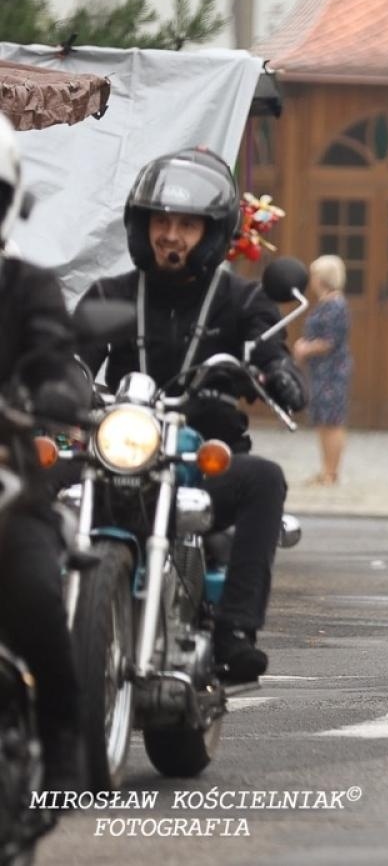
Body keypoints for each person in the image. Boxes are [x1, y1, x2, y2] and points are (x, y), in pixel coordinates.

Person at [77, 148, 306, 683]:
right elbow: (69, 356)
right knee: (35, 472)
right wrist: (56, 378)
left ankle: (235, 630)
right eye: (161, 221)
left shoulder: (240, 299)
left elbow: (268, 350)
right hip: (120, 447)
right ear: (142, 225)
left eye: (186, 224)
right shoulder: (109, 295)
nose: (171, 235)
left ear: (213, 232)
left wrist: (277, 372)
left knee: (265, 480)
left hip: (202, 456)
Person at [0, 111, 91, 792]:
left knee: (33, 589)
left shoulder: (25, 285)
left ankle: (61, 727)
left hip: (4, 476)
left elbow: (52, 355)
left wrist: (57, 391)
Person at [292, 254, 352, 486]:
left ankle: (331, 472)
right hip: (321, 370)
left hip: (333, 369)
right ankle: (325, 468)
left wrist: (306, 348)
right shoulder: (326, 303)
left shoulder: (335, 304)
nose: (312, 279)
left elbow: (330, 341)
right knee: (322, 420)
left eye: (315, 274)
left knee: (333, 421)